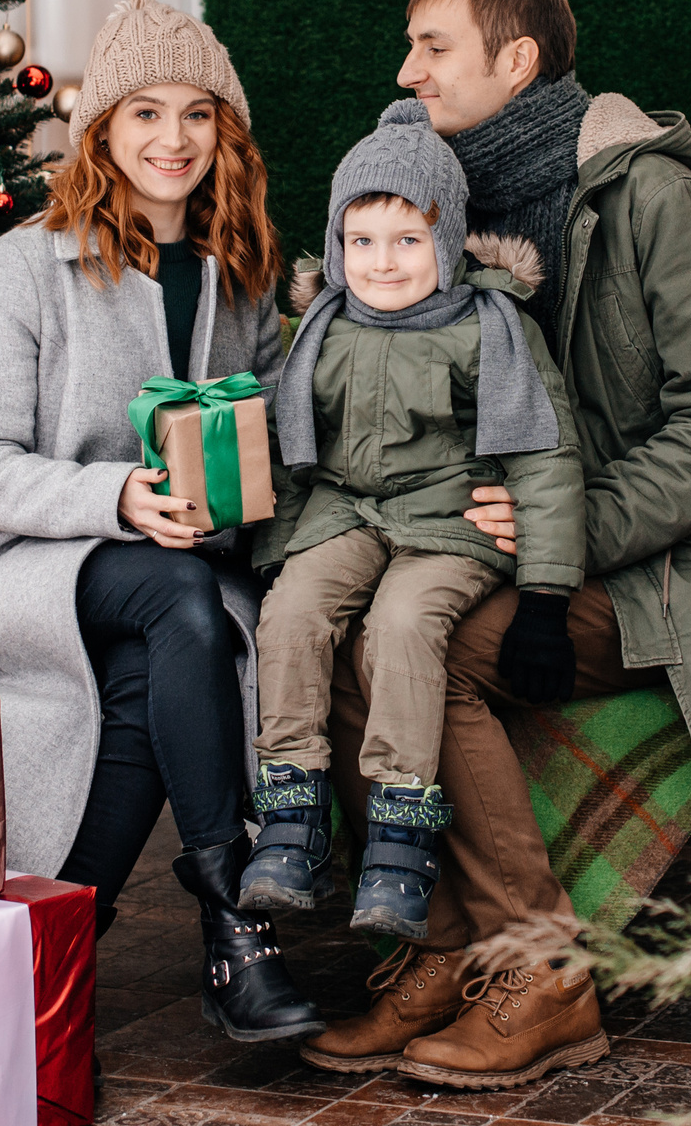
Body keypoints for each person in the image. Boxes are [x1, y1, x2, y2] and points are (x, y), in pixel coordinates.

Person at [304, 0, 691, 1090]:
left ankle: (542, 975)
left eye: (433, 46)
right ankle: (440, 950)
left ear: (517, 58)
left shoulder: (652, 199)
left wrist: (568, 529)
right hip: (498, 544)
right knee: (342, 633)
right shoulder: (445, 204)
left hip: (672, 575)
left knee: (426, 650)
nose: (408, 70)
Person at [0, 0, 324, 1043]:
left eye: (195, 114)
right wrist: (118, 499)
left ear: (222, 131)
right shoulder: (21, 268)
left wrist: (223, 508)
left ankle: (39, 978)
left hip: (178, 579)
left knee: (162, 644)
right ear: (101, 129)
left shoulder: (243, 278)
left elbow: (263, 454)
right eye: (144, 113)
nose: (171, 139)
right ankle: (234, 916)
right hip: (24, 567)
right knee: (177, 601)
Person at [241, 100, 586, 946]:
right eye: (362, 242)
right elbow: (296, 451)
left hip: (451, 518)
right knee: (291, 612)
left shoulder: (488, 330)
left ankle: (401, 834)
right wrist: (270, 545)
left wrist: (545, 594)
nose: (382, 263)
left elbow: (545, 457)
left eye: (408, 241)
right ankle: (292, 814)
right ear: (335, 246)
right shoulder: (322, 328)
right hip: (349, 509)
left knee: (400, 623)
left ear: (448, 242)